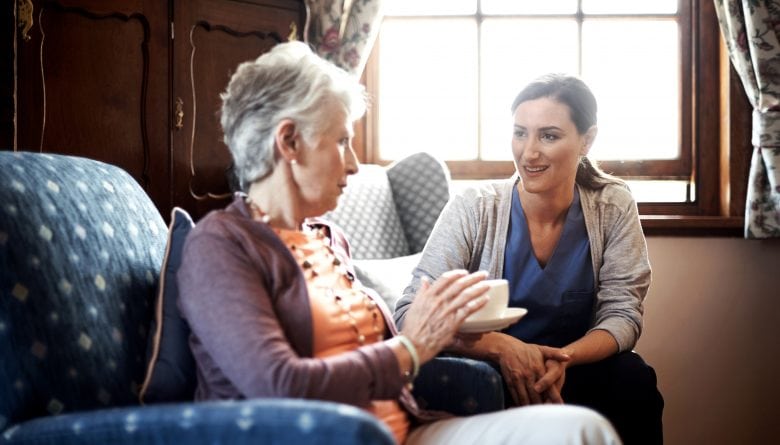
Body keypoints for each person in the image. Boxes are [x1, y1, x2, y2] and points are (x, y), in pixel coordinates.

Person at [176, 43, 622, 445]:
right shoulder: (221, 246)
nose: (353, 164)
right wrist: (412, 346)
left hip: (402, 429)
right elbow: (280, 384)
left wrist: (444, 331)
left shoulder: (328, 242)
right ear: (289, 141)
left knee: (584, 428)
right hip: (327, 437)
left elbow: (402, 347)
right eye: (343, 141)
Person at [394, 73, 664, 444]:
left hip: (570, 369)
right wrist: (502, 347)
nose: (529, 152)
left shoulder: (612, 205)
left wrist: (561, 359)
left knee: (632, 377)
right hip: (487, 371)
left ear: (587, 140)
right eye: (520, 133)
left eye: (548, 136)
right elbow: (409, 312)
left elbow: (623, 315)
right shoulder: (474, 208)